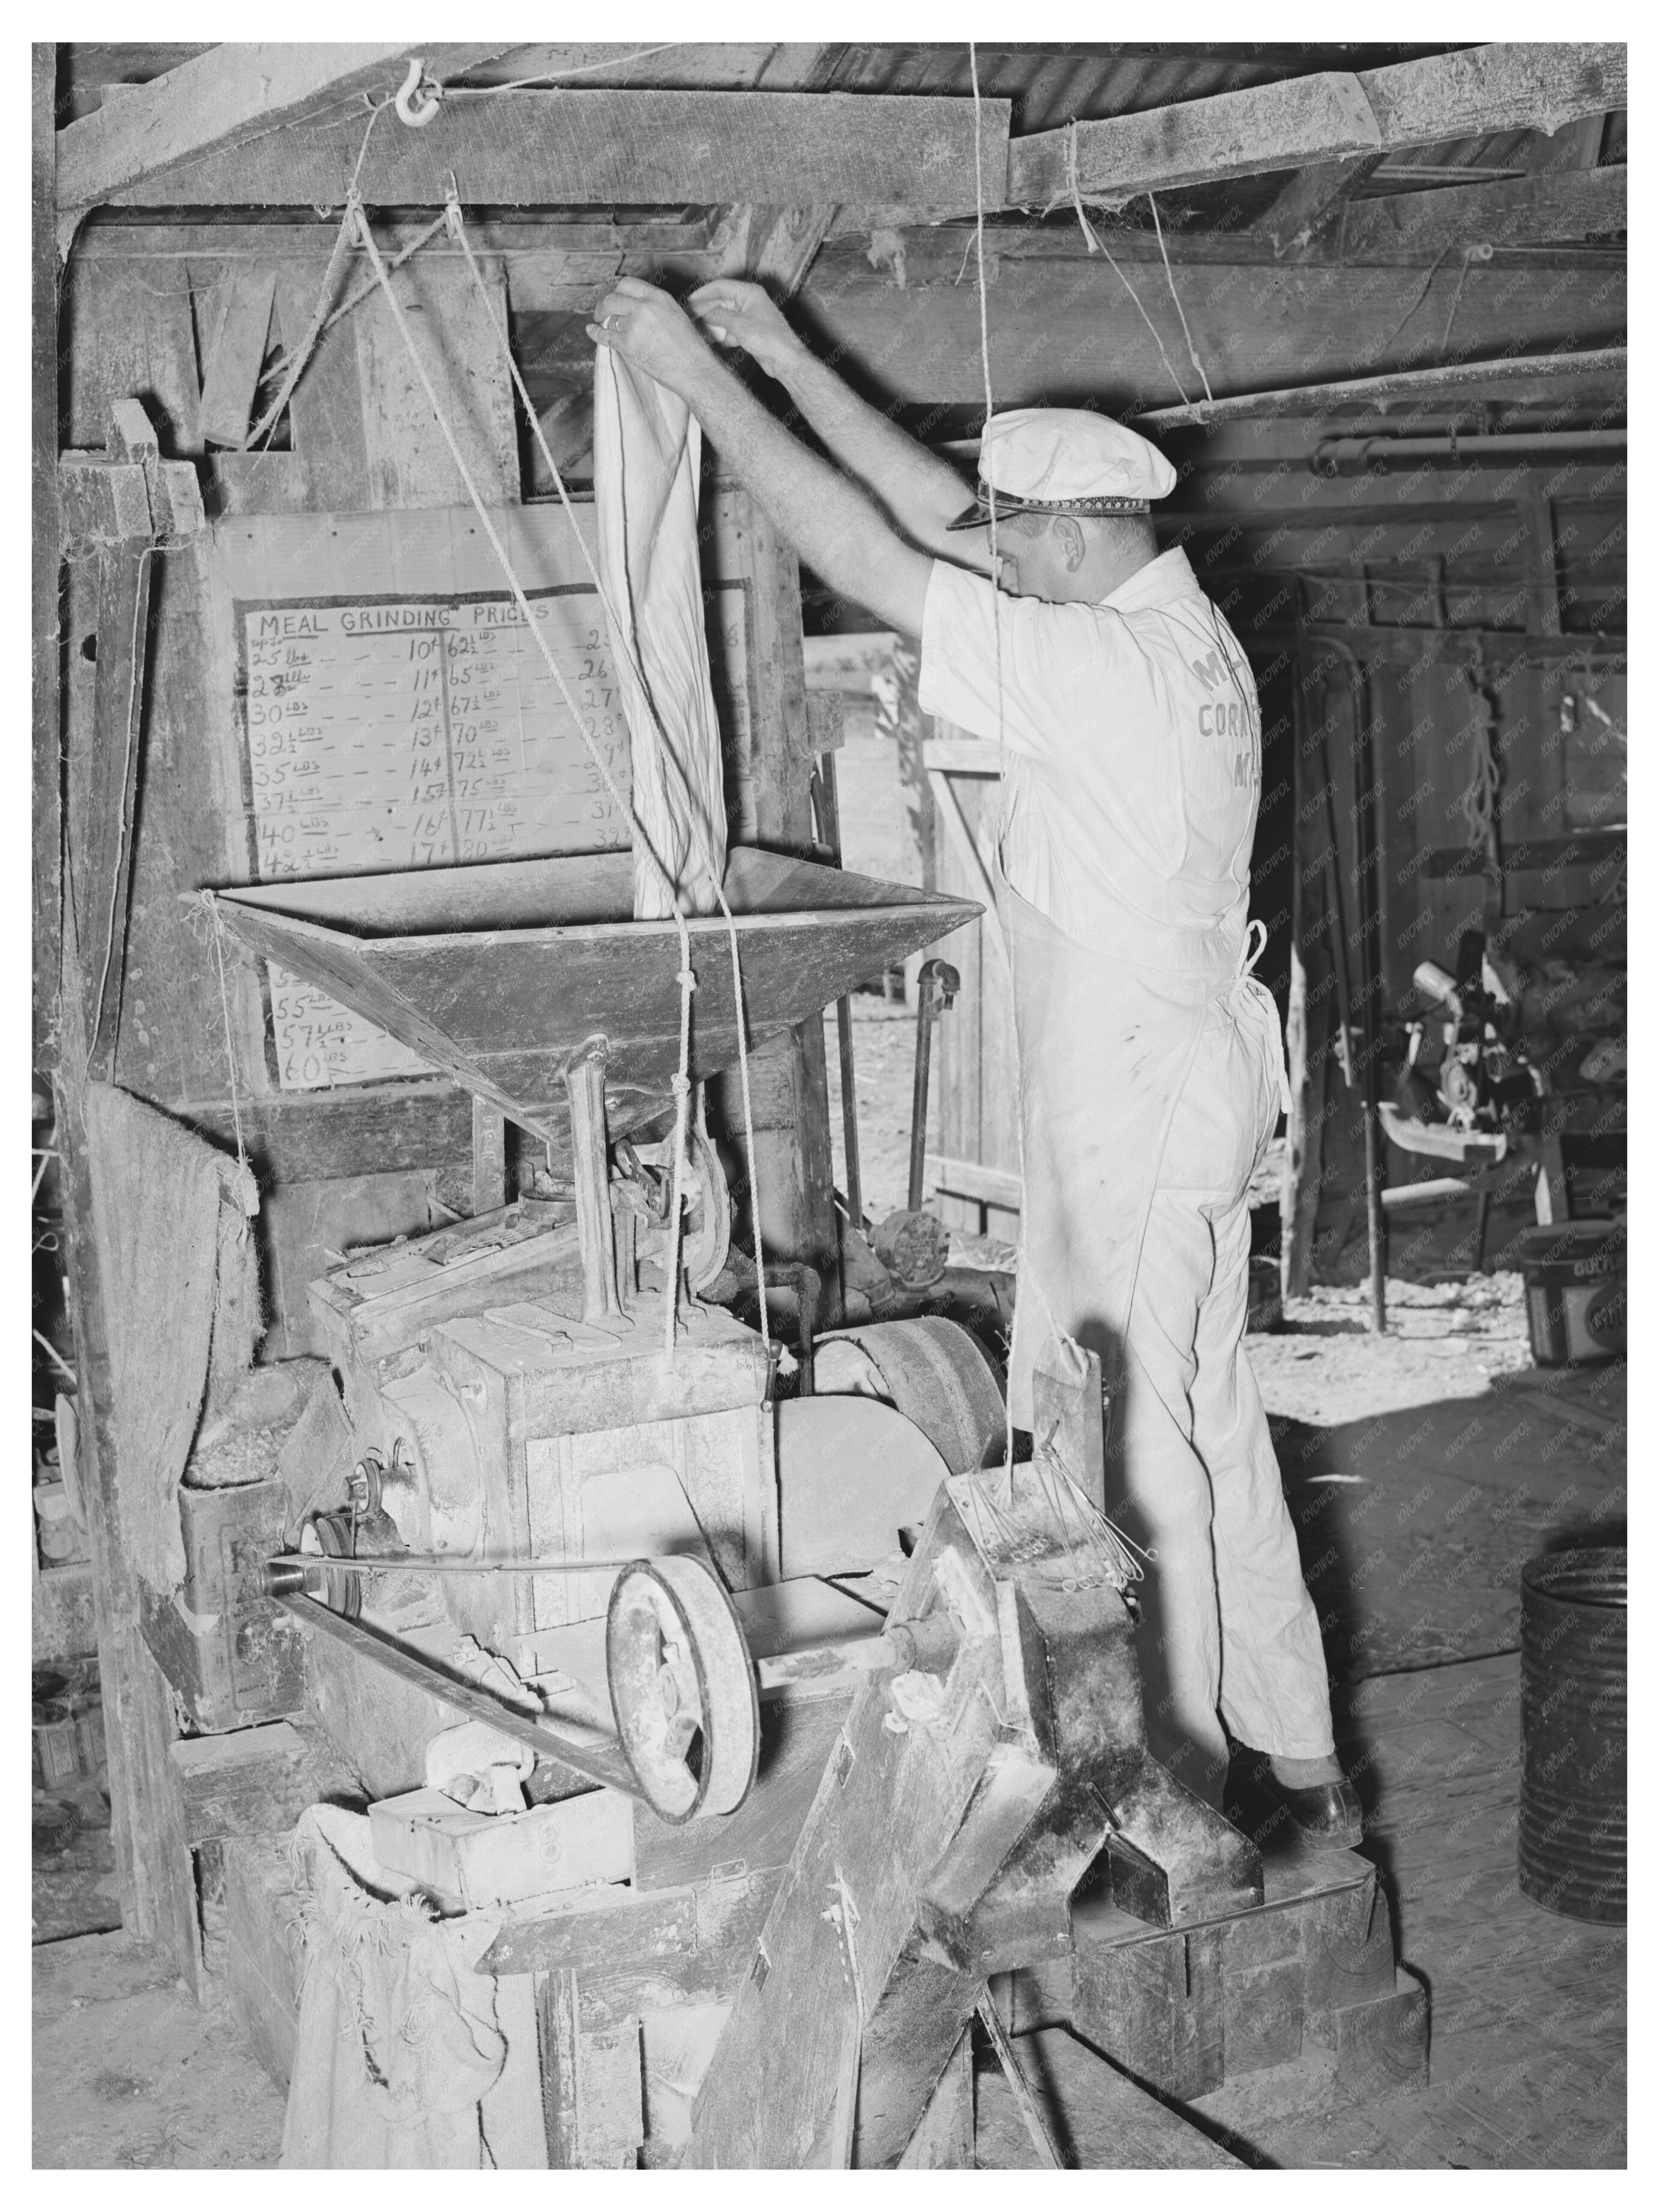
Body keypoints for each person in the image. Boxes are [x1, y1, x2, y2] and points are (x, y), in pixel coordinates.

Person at [588, 275, 1359, 1846]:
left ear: (1068, 544)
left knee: (1132, 1445)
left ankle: (1183, 1785)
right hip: (1200, 1074)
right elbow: (944, 521)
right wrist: (792, 355)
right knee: (1211, 1417)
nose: (989, 556)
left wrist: (694, 380)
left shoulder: (1104, 675)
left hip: (1143, 1089)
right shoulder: (1175, 631)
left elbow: (881, 557)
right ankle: (1299, 1754)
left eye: (1016, 544)